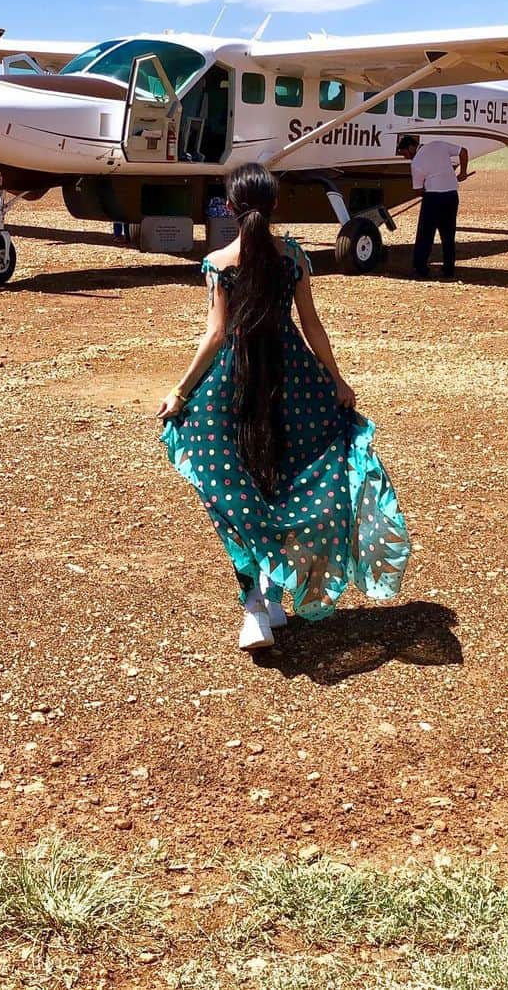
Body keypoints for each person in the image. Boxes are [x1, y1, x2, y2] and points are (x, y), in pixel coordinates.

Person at [156, 162, 411, 651]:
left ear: (229, 208)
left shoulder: (219, 262)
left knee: (237, 494)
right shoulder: (292, 257)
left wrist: (181, 392)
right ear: (274, 207)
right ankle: (270, 596)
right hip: (295, 382)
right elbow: (312, 327)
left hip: (234, 384)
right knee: (288, 483)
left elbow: (214, 335)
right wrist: (335, 380)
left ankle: (257, 603)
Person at [396, 133, 471, 279]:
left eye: (405, 153)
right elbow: (463, 152)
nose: (406, 157)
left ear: (411, 147)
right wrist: (463, 173)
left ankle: (420, 269)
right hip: (451, 195)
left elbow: (418, 190)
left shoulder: (416, 163)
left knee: (425, 235)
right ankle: (448, 270)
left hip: (433, 198)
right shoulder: (438, 144)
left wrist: (425, 190)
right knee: (448, 235)